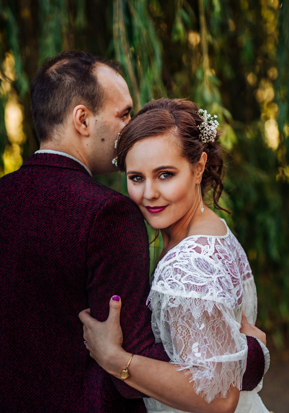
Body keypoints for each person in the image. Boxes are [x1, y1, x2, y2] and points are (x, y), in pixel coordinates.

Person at [0, 51, 268, 412]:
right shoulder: (107, 214)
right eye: (123, 114)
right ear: (83, 120)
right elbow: (138, 350)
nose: (130, 128)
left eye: (164, 174)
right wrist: (251, 356)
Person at [79, 98, 271, 413]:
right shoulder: (214, 230)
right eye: (136, 177)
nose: (149, 193)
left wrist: (116, 359)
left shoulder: (189, 264)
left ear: (198, 168)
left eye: (165, 174)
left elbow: (219, 398)